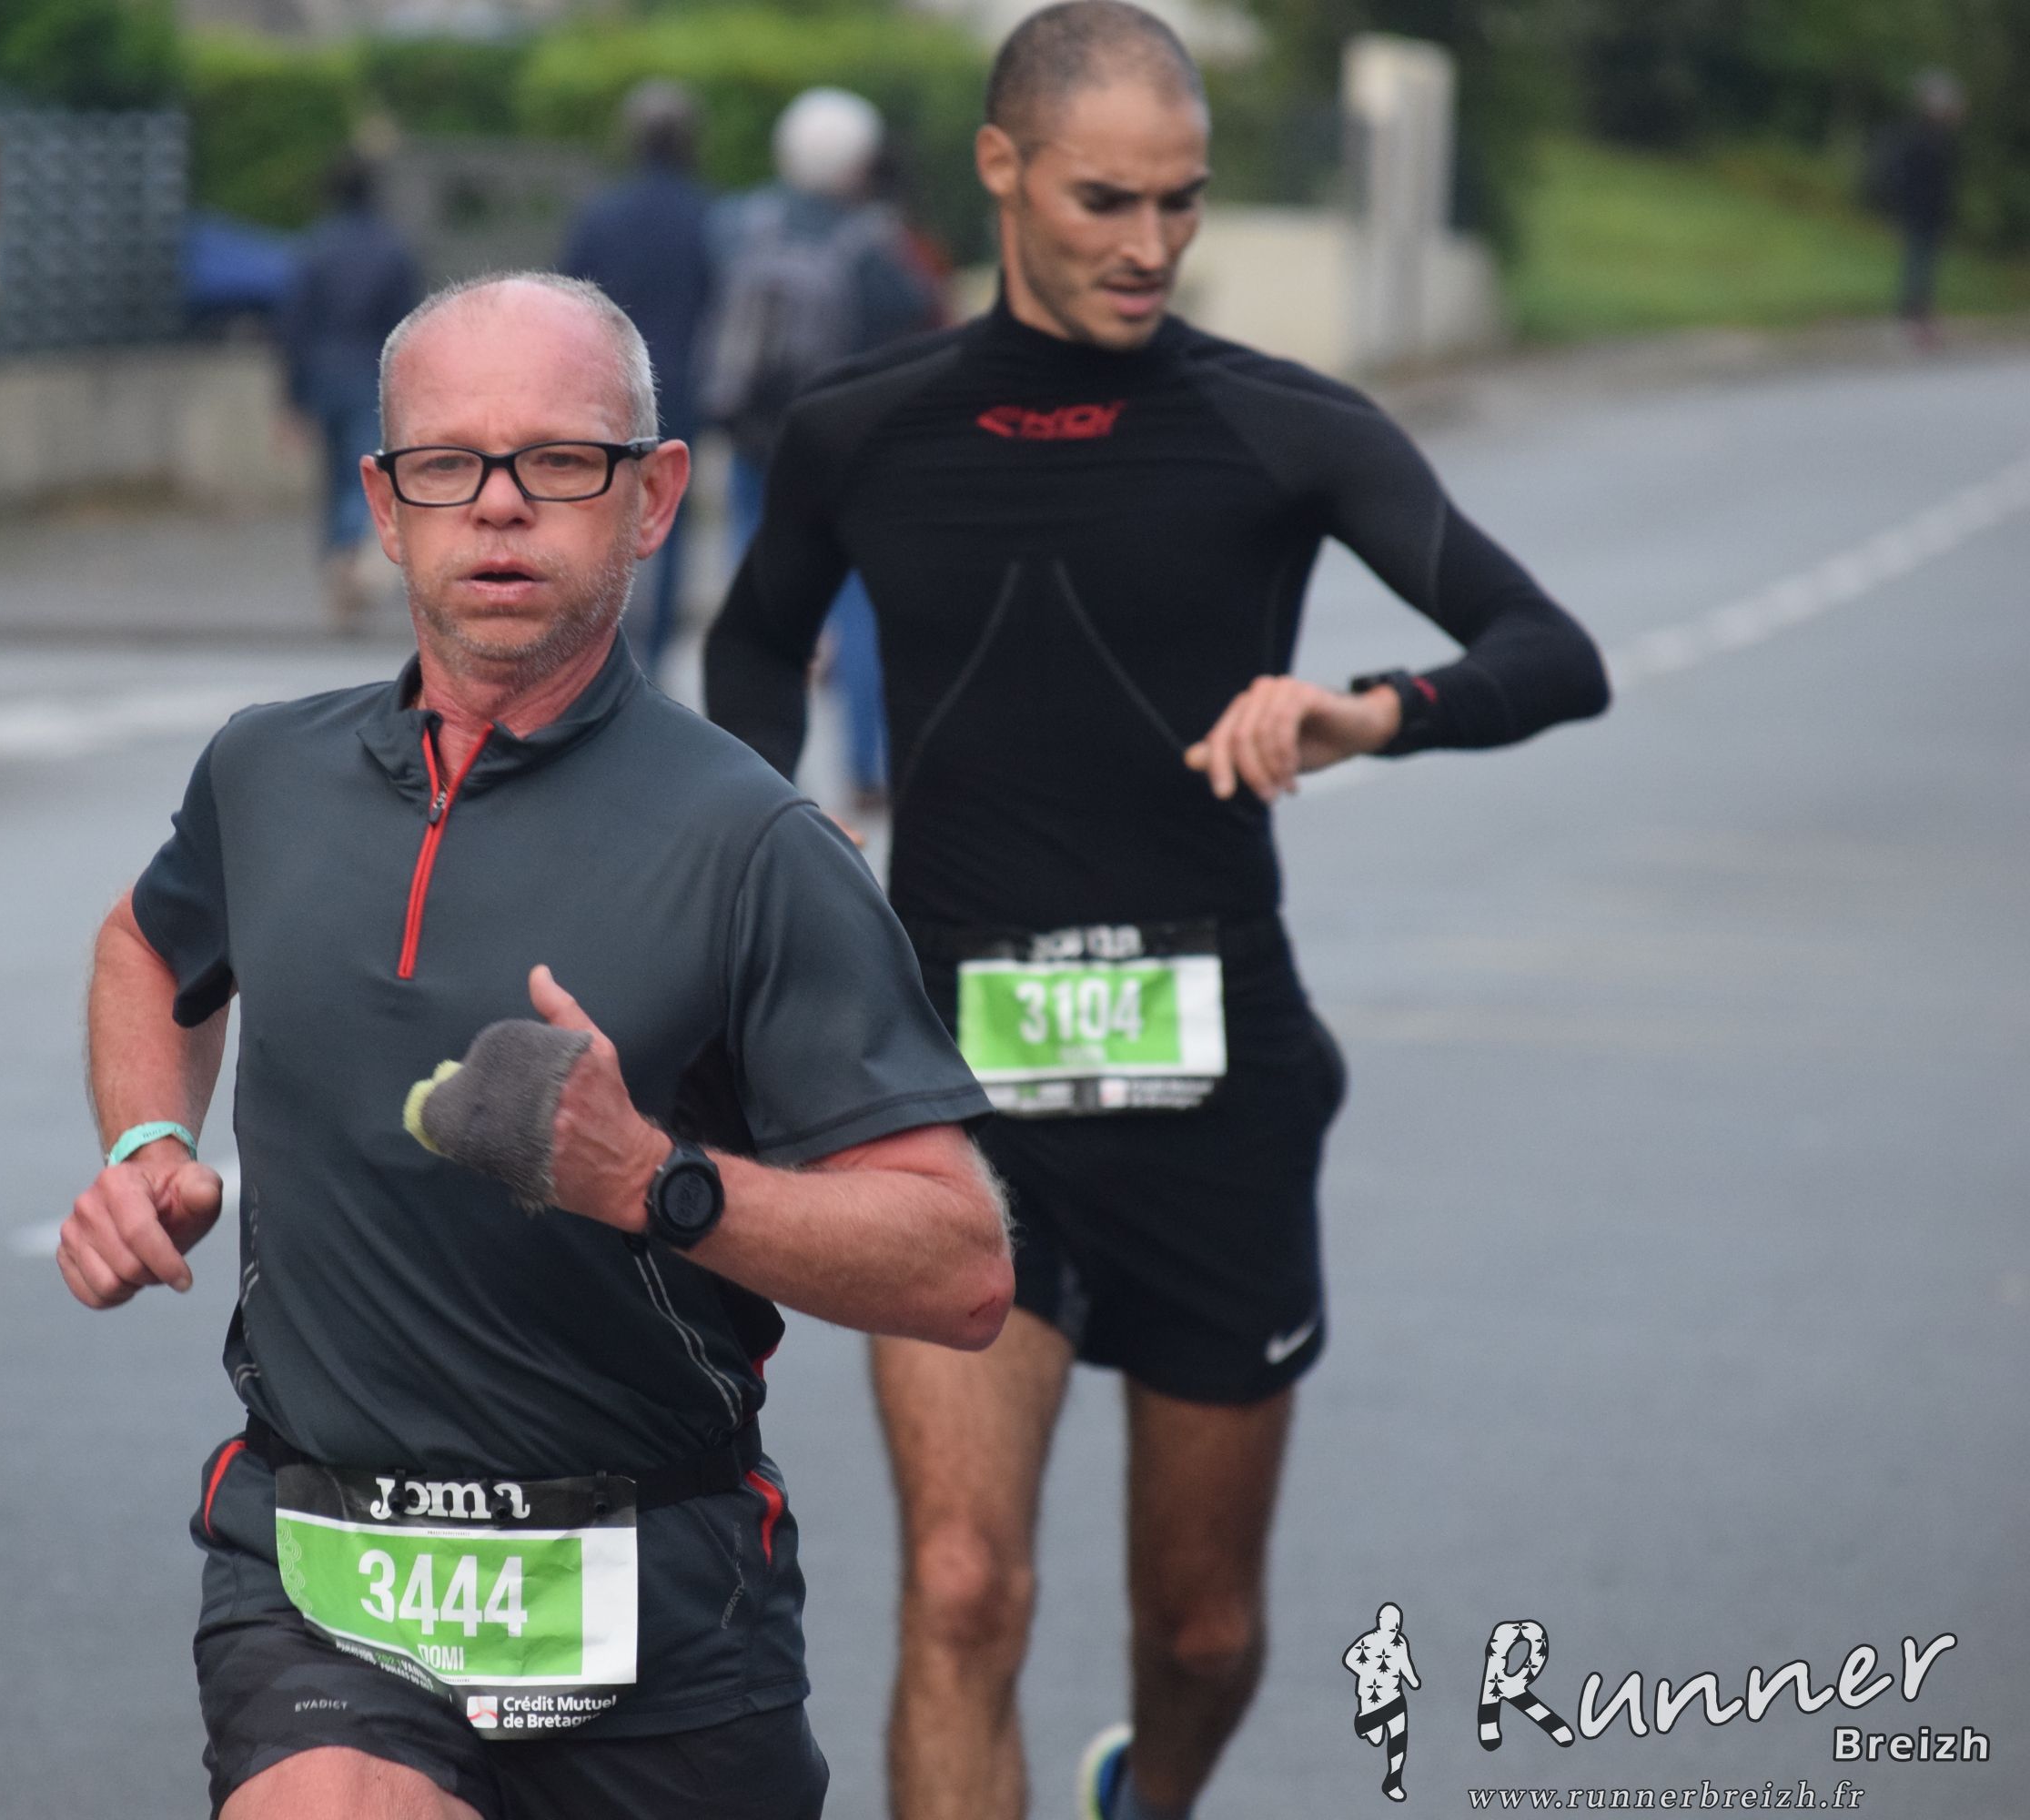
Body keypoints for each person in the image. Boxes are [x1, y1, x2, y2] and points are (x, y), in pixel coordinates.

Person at [701, 7, 1611, 1819]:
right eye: (1103, 200)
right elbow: (746, 646)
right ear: (1000, 170)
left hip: (1215, 1095)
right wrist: (773, 853)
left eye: (1179, 202)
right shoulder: (865, 428)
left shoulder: (1279, 426)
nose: (1148, 244)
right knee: (963, 1586)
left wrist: (1365, 713)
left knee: (1201, 1629)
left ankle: (1149, 1791)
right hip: (953, 1094)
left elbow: (1548, 651)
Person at [63, 271, 1013, 1820]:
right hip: (333, 1573)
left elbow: (959, 1267)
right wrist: (145, 1142)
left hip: (661, 1606)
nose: (498, 506)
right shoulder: (265, 775)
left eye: (559, 461)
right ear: (385, 507)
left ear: (654, 497)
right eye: (448, 464)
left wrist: (656, 1182)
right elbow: (147, 945)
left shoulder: (755, 845)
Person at [703, 86, 935, 810]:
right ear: (858, 161)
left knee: (755, 599)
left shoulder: (737, 223)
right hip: (845, 445)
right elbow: (911, 323)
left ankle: (755, 767)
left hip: (754, 438)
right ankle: (867, 768)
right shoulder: (873, 241)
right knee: (861, 603)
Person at [559, 80, 715, 670]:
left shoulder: (602, 215)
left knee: (598, 509)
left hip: (607, 385)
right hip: (682, 383)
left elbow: (568, 301)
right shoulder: (708, 216)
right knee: (668, 514)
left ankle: (604, 649)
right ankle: (655, 653)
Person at [279, 153, 421, 632]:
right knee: (364, 473)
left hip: (323, 375)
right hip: (372, 374)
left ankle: (335, 561)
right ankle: (350, 554)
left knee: (332, 474)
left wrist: (291, 398)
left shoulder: (314, 249)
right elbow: (408, 325)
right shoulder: (393, 249)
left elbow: (294, 327)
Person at [1878, 71, 1964, 348]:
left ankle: (1921, 315)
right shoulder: (1919, 137)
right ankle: (1912, 318)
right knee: (1917, 265)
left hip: (1932, 213)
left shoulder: (1941, 138)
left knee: (1925, 266)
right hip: (1918, 212)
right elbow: (1908, 178)